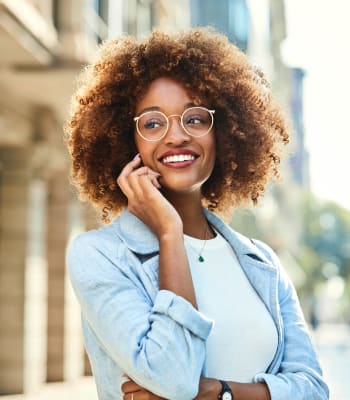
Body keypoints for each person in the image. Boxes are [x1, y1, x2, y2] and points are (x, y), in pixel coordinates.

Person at [65, 27, 329, 400]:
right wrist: (170, 232)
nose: (176, 136)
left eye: (195, 118)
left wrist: (222, 392)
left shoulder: (261, 262)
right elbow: (173, 378)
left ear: (223, 132)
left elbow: (315, 389)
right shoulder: (101, 255)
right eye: (153, 123)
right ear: (126, 141)